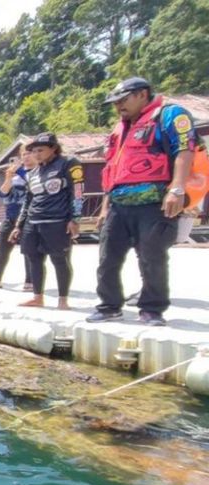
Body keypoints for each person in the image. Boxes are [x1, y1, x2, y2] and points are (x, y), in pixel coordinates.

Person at [87, 77, 195, 326]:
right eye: (115, 102)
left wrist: (177, 189)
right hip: (118, 203)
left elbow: (184, 150)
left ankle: (152, 308)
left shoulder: (168, 115)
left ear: (142, 94)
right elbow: (111, 170)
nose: (119, 106)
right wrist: (105, 207)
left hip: (154, 202)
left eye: (124, 100)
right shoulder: (120, 128)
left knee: (151, 256)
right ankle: (109, 306)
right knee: (107, 257)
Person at [8, 133, 84, 310]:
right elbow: (28, 200)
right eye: (33, 151)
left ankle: (63, 299)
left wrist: (75, 218)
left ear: (53, 148)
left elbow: (78, 191)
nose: (36, 154)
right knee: (33, 258)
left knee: (60, 259)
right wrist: (19, 225)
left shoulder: (68, 163)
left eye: (41, 150)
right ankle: (37, 297)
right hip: (33, 221)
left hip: (57, 220)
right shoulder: (33, 172)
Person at [0, 148, 35, 290]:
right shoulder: (15, 175)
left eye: (29, 154)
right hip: (10, 215)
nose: (26, 157)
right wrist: (8, 177)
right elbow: (2, 194)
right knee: (3, 249)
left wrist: (21, 172)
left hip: (28, 216)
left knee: (28, 250)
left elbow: (34, 186)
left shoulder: (37, 173)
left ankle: (30, 282)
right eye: (24, 154)